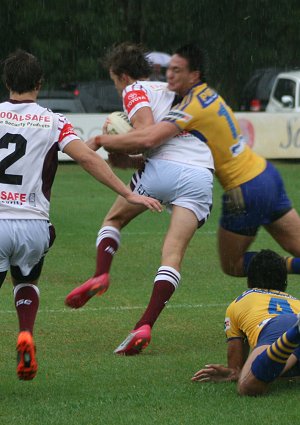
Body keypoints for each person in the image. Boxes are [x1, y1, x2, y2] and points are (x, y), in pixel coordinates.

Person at [0, 49, 162, 380]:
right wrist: (129, 193)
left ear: (6, 82)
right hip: (33, 226)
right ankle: (26, 332)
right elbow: (89, 160)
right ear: (40, 84)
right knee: (26, 279)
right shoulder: (53, 121)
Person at [87, 43, 300, 278]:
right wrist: (131, 161)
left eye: (177, 70)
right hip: (266, 175)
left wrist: (100, 140)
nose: (169, 75)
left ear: (194, 75)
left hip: (243, 191)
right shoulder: (203, 96)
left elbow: (148, 138)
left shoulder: (190, 106)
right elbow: (175, 152)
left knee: (232, 265)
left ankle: (281, 268)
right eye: (170, 69)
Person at [65, 42, 214, 355]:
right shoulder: (181, 90)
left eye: (114, 80)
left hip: (165, 167)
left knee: (114, 219)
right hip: (201, 173)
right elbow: (147, 148)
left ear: (122, 76)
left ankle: (101, 273)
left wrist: (109, 141)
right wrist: (124, 154)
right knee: (172, 253)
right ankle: (145, 324)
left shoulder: (134, 90)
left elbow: (146, 132)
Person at [192, 249, 300, 396]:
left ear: (249, 280)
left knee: (247, 387)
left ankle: (294, 334)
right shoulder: (295, 301)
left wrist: (233, 373)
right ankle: (293, 336)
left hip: (277, 326)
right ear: (284, 281)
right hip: (293, 321)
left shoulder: (240, 301)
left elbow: (236, 366)